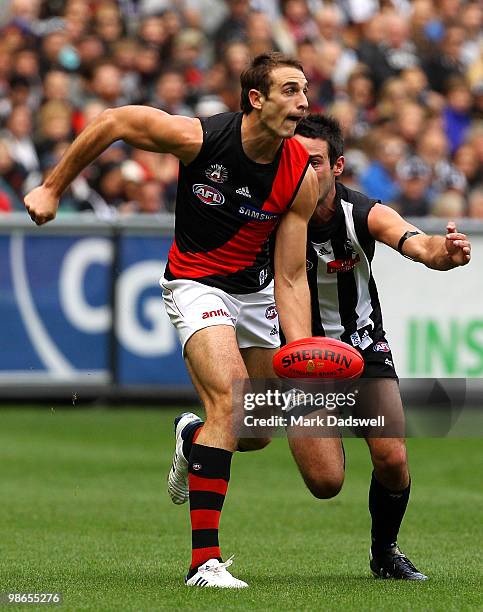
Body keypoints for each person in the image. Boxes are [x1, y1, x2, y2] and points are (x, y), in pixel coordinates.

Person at [24, 52, 319, 588]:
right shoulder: (201, 139)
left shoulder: (302, 173)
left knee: (256, 430)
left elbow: (292, 278)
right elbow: (113, 121)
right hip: (194, 283)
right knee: (230, 403)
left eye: (305, 91)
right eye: (290, 91)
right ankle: (204, 563)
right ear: (256, 99)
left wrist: (299, 349)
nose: (303, 103)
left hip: (254, 295)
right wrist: (52, 188)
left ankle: (191, 438)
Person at [288, 113, 471, 580]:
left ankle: (385, 553)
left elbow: (418, 243)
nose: (303, 173)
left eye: (313, 163)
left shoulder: (363, 213)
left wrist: (443, 254)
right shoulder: (275, 216)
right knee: (326, 483)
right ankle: (196, 433)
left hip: (362, 346)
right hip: (300, 356)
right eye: (293, 162)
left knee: (392, 457)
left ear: (338, 167)